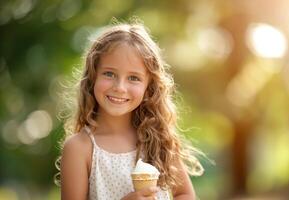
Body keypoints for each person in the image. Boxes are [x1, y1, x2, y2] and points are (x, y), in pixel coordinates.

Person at [57, 22, 204, 200]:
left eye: (133, 78)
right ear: (93, 76)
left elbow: (185, 194)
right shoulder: (80, 148)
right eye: (109, 74)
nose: (120, 87)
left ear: (149, 88)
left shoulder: (158, 139)